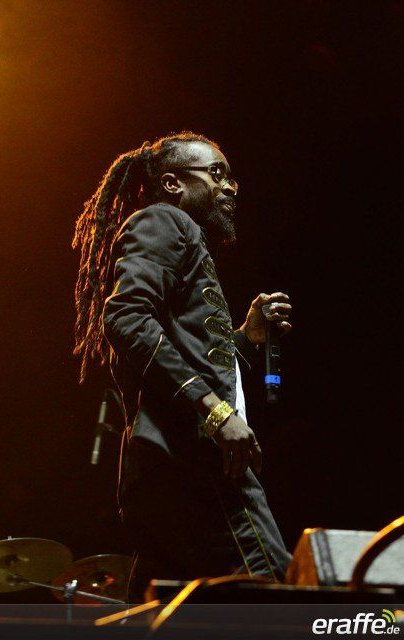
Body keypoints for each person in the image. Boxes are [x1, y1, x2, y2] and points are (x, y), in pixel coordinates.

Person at [73, 132, 292, 601]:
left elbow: (189, 352)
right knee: (274, 595)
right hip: (196, 462)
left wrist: (245, 338)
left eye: (231, 178)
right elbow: (126, 316)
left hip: (164, 468)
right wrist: (216, 413)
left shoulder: (181, 236)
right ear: (173, 183)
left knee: (165, 611)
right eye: (216, 173)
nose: (230, 186)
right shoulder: (164, 220)